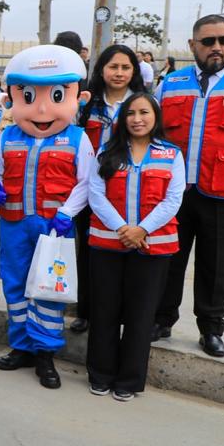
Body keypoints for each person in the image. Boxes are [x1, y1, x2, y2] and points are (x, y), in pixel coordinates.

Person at [0, 44, 95, 390]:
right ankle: (21, 346)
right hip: (14, 224)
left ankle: (46, 353)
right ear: (13, 98)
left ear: (76, 96)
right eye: (29, 95)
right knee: (15, 284)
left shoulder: (78, 139)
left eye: (56, 95)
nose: (42, 107)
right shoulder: (7, 136)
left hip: (54, 228)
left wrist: (66, 214)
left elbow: (86, 182)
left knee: (49, 289)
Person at [154, 14, 224, 358]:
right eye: (208, 42)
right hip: (174, 194)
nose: (217, 48)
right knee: (168, 261)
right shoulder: (171, 84)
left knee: (216, 266)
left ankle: (211, 329)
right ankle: (161, 319)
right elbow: (152, 133)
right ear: (193, 45)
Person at [88, 93, 184, 401]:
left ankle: (128, 381)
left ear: (156, 116)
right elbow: (96, 194)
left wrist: (141, 229)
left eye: (144, 112)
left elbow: (173, 199)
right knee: (104, 311)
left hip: (152, 246)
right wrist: (122, 228)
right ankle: (100, 374)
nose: (137, 118)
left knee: (141, 314)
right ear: (122, 119)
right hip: (108, 244)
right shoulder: (106, 152)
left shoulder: (171, 154)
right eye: (131, 113)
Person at [71, 45, 144, 335]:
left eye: (126, 68)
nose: (119, 73)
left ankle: (124, 314)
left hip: (128, 192)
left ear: (134, 72)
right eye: (113, 67)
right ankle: (85, 311)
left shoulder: (141, 104)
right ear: (101, 70)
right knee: (88, 253)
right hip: (88, 192)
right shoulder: (88, 103)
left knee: (125, 252)